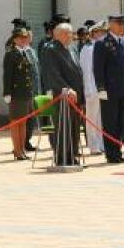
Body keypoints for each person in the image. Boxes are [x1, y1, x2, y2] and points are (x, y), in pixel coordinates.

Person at [39, 22, 83, 167]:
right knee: (64, 126)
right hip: (62, 95)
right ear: (58, 35)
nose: (71, 35)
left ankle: (73, 155)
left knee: (75, 128)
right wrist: (66, 88)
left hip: (76, 96)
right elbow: (53, 74)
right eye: (67, 33)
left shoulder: (72, 49)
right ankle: (63, 157)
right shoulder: (51, 49)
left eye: (71, 32)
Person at [94, 14, 124, 163]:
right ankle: (111, 154)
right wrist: (100, 88)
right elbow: (98, 68)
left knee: (120, 122)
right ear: (111, 24)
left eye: (123, 23)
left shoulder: (122, 42)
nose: (122, 26)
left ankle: (117, 151)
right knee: (110, 122)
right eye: (119, 23)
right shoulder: (102, 43)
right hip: (109, 90)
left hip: (122, 89)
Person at [3, 26, 36, 161]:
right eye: (20, 38)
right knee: (16, 123)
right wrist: (7, 93)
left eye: (25, 38)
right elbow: (7, 75)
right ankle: (17, 151)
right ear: (15, 39)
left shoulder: (25, 52)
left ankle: (22, 149)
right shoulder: (11, 54)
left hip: (26, 93)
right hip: (16, 93)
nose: (23, 40)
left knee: (23, 123)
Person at [78, 21, 105, 155]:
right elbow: (86, 71)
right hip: (92, 88)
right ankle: (93, 145)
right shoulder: (87, 49)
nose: (102, 34)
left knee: (101, 118)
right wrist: (88, 89)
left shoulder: (102, 46)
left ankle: (101, 143)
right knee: (92, 118)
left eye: (103, 32)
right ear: (93, 34)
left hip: (102, 89)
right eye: (99, 32)